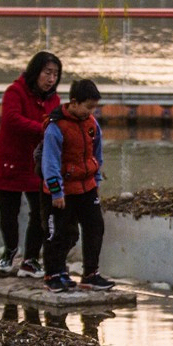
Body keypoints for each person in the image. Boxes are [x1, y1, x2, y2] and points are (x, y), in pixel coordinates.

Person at [0, 51, 61, 277]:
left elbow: (56, 126)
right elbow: (11, 119)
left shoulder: (54, 100)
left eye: (56, 75)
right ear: (35, 71)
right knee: (8, 212)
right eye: (47, 73)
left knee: (40, 211)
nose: (51, 79)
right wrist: (43, 128)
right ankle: (9, 250)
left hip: (37, 164)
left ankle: (30, 259)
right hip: (10, 161)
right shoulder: (14, 92)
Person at [40, 78, 115, 292]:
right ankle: (53, 273)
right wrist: (56, 192)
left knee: (95, 226)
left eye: (94, 107)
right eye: (88, 107)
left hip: (87, 187)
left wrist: (96, 180)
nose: (91, 111)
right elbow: (50, 162)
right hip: (62, 191)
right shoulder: (55, 128)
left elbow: (96, 154)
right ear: (74, 102)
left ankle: (90, 273)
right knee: (59, 232)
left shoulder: (91, 124)